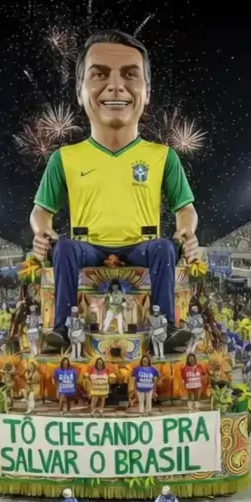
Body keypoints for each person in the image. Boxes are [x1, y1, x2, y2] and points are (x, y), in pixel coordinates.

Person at [30, 29, 199, 354]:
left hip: (140, 245)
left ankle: (168, 326)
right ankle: (62, 328)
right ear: (79, 91)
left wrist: (186, 231)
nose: (116, 86)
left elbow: (185, 207)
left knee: (164, 248)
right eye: (99, 74)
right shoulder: (64, 158)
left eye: (130, 74)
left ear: (147, 92)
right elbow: (41, 210)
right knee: (63, 248)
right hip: (89, 245)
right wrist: (42, 231)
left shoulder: (163, 156)